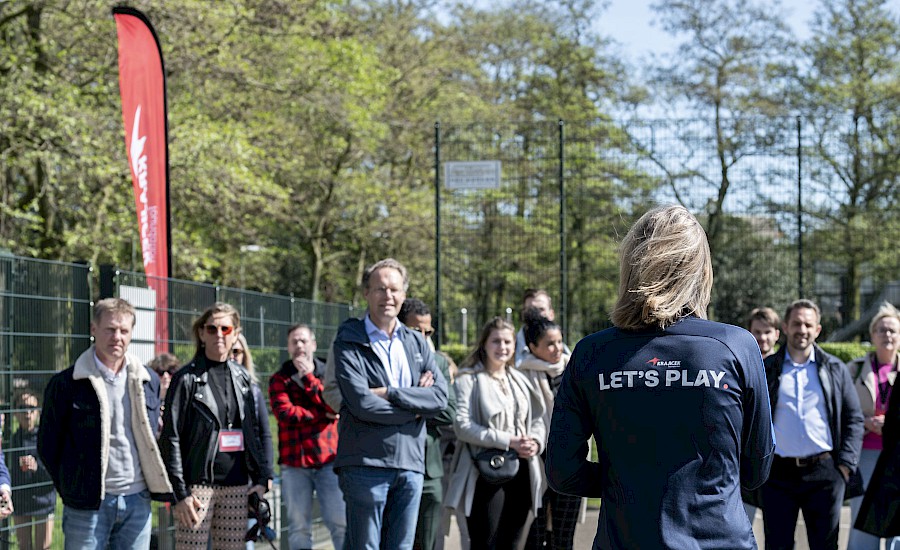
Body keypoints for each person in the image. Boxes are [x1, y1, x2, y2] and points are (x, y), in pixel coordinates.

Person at [545, 204, 775, 549]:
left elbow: (563, 471)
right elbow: (757, 469)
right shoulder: (735, 345)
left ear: (630, 266)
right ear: (700, 271)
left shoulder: (592, 353)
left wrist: (626, 480)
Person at [326, 258, 448, 550]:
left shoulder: (417, 342)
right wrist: (416, 407)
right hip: (364, 462)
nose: (387, 296)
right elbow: (360, 404)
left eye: (394, 289)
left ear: (404, 295)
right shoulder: (349, 339)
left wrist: (391, 393)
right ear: (367, 293)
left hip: (410, 463)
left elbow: (440, 398)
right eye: (380, 289)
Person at [37, 297, 173, 549]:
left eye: (124, 331)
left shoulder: (148, 380)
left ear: (131, 333)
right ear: (93, 329)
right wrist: (72, 487)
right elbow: (48, 446)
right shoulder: (66, 384)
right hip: (86, 506)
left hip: (138, 501)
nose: (117, 337)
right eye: (110, 329)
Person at [158, 302, 272, 550]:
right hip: (197, 487)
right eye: (211, 329)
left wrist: (262, 476)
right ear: (201, 333)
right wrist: (180, 493)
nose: (219, 335)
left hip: (237, 484)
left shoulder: (242, 378)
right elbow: (171, 438)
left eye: (225, 328)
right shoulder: (185, 379)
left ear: (235, 333)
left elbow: (254, 432)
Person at [760, 298, 864, 550]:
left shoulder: (834, 369)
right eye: (796, 323)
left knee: (825, 546)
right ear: (785, 327)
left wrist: (845, 467)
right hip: (778, 475)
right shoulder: (767, 368)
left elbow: (854, 418)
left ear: (818, 329)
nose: (802, 330)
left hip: (825, 474)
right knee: (777, 545)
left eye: (808, 324)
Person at [445, 317, 545, 550]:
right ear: (484, 344)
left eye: (507, 342)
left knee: (513, 543)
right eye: (496, 341)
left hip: (523, 470)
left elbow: (539, 418)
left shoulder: (519, 379)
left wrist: (536, 442)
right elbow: (462, 426)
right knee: (486, 543)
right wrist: (508, 441)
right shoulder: (468, 380)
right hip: (484, 473)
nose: (502, 347)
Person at [269, 323, 345, 550]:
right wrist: (324, 415)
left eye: (303, 340)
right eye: (294, 341)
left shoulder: (328, 374)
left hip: (328, 461)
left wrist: (310, 378)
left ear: (313, 344)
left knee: (340, 522)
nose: (299, 345)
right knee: (299, 527)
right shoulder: (279, 379)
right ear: (288, 347)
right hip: (295, 464)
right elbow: (285, 414)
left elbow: (334, 403)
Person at [398, 298, 458, 550]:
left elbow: (449, 413)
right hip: (394, 463)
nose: (423, 336)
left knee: (430, 543)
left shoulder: (438, 363)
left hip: (429, 469)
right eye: (416, 330)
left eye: (428, 331)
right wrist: (423, 397)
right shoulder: (388, 361)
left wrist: (407, 401)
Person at [519, 311, 581, 550]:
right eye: (549, 344)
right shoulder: (521, 373)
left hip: (571, 460)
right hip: (536, 462)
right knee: (534, 536)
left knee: (564, 537)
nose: (557, 348)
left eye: (559, 341)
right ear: (533, 347)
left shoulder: (572, 369)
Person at [847, 302, 900, 549]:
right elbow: (842, 412)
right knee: (862, 522)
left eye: (892, 330)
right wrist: (863, 421)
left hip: (896, 459)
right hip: (864, 455)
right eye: (882, 330)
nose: (887, 335)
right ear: (872, 335)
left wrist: (890, 424)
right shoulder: (855, 369)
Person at [230, 333, 274, 550]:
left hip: (247, 476)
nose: (232, 356)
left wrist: (266, 476)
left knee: (244, 541)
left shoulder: (253, 391)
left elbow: (265, 434)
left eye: (237, 351)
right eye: (230, 351)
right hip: (218, 476)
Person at [742, 306, 781, 523]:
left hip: (778, 465)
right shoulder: (741, 366)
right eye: (757, 332)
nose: (762, 338)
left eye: (767, 332)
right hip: (749, 458)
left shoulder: (785, 367)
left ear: (777, 333)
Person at [10, 390, 56, 550]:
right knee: (24, 547)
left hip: (43, 500)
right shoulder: (11, 440)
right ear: (15, 412)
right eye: (22, 407)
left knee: (43, 547)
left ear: (38, 412)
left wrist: (37, 468)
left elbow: (56, 473)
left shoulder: (47, 438)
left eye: (32, 408)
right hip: (20, 501)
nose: (27, 413)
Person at [514, 290, 568, 368]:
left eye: (541, 309)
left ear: (551, 314)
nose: (535, 314)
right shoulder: (511, 350)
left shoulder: (565, 356)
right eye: (530, 310)